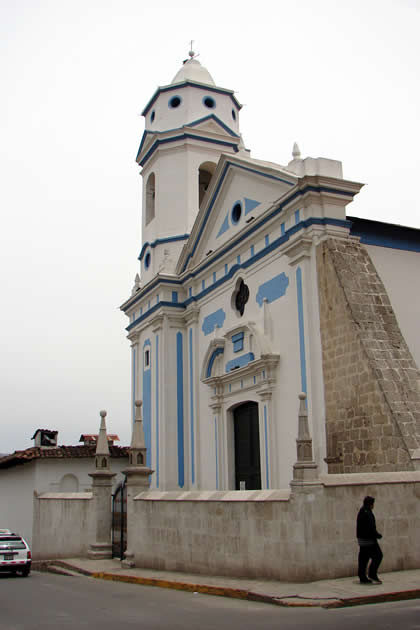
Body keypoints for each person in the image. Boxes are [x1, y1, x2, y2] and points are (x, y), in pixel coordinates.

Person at [356, 496, 383, 584]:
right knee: (378, 555)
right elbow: (371, 528)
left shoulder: (361, 511)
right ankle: (372, 574)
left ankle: (362, 576)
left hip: (362, 540)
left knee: (364, 558)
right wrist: (378, 535)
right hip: (369, 541)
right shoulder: (368, 513)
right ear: (371, 504)